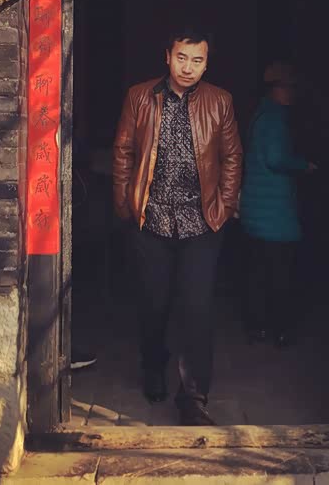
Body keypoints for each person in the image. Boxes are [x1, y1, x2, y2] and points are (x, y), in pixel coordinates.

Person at [112, 27, 242, 426]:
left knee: (198, 309)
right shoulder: (140, 96)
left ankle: (194, 396)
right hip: (151, 221)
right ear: (167, 57)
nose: (188, 67)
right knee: (154, 304)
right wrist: (126, 206)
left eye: (197, 60)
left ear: (206, 63)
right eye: (182, 58)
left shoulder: (220, 101)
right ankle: (153, 367)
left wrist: (224, 207)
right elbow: (124, 151)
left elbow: (232, 157)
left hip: (201, 224)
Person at [239, 61, 316, 348]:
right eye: (288, 88)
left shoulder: (260, 114)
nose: (292, 93)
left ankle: (256, 327)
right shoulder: (275, 118)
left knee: (258, 271)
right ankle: (280, 329)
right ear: (276, 89)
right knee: (280, 273)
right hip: (274, 214)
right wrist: (304, 165)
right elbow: (275, 158)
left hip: (257, 210)